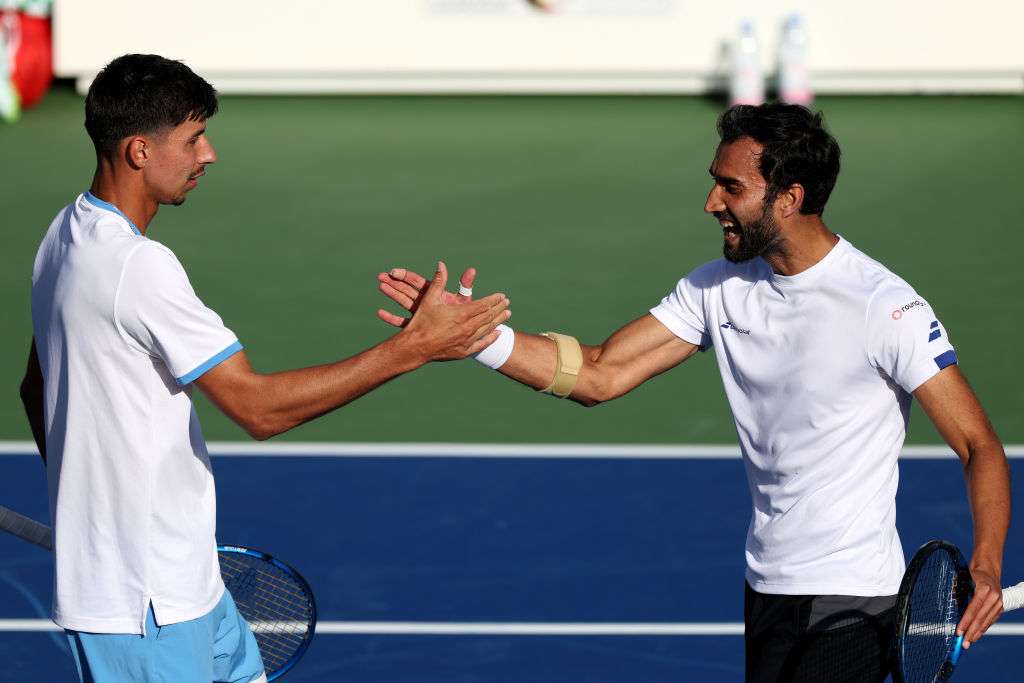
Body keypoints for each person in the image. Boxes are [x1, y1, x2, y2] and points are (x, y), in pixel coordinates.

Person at [376, 103, 1011, 681]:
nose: (711, 202)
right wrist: (476, 337)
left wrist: (985, 562)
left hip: (852, 597)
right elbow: (599, 372)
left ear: (789, 198)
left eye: (731, 187)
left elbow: (977, 444)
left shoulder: (885, 307)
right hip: (767, 586)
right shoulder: (716, 288)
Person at [18, 53, 509, 683]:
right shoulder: (138, 268)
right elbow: (257, 409)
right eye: (193, 139)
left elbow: (36, 387)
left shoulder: (64, 234)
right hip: (144, 609)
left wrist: (88, 511)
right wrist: (412, 348)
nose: (208, 154)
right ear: (139, 150)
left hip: (186, 581)